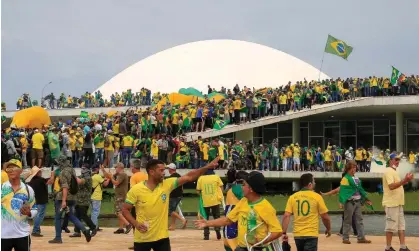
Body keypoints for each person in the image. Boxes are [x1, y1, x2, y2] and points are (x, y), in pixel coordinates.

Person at [121, 157, 220, 251]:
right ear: (151, 172)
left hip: (162, 238)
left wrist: (207, 167)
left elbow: (189, 177)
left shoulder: (167, 185)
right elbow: (125, 209)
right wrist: (136, 224)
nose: (164, 173)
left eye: (164, 170)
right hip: (142, 238)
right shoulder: (136, 190)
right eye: (161, 170)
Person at [195, 171, 282, 251]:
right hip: (242, 247)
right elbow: (228, 220)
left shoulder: (266, 207)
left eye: (244, 185)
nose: (241, 187)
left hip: (258, 248)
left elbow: (277, 231)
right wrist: (207, 223)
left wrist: (261, 242)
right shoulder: (243, 202)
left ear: (251, 189)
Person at [282, 173, 331, 251]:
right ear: (310, 184)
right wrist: (328, 228)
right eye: (314, 181)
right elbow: (325, 217)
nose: (315, 183)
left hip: (298, 235)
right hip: (311, 234)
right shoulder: (317, 197)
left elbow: (286, 216)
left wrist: (284, 233)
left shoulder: (292, 197)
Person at [48, 155, 92, 244]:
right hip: (73, 197)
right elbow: (77, 181)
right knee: (71, 215)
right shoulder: (72, 170)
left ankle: (58, 237)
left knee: (57, 217)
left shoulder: (63, 172)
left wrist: (64, 200)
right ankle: (85, 230)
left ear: (61, 162)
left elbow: (65, 187)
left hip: (62, 198)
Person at [1, 159, 37, 251]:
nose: (11, 170)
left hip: (22, 235)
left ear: (21, 171)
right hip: (2, 235)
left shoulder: (28, 190)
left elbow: (34, 209)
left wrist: (29, 213)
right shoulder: (1, 188)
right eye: (8, 169)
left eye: (14, 167)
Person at [382, 153, 413, 251]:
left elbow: (397, 185)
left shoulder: (394, 171)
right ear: (390, 161)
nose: (397, 162)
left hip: (398, 203)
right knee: (390, 227)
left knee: (401, 226)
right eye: (395, 159)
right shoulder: (388, 171)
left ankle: (403, 247)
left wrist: (405, 180)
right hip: (391, 203)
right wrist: (405, 180)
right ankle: (388, 247)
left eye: (398, 160)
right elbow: (391, 186)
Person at [338, 160, 372, 244]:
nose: (355, 168)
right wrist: (341, 201)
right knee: (347, 220)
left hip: (357, 202)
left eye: (355, 167)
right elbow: (343, 191)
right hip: (350, 202)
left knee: (359, 220)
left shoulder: (356, 178)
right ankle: (345, 238)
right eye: (354, 167)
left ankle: (361, 238)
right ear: (349, 169)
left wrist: (366, 199)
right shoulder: (345, 178)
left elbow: (360, 190)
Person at [100, 162, 132, 234]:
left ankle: (128, 225)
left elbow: (116, 183)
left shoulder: (122, 174)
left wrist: (111, 177)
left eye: (116, 167)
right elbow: (108, 176)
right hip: (120, 195)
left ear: (120, 168)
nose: (115, 169)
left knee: (117, 212)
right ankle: (121, 228)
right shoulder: (118, 174)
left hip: (121, 196)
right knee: (120, 212)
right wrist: (103, 170)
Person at [223, 170, 248, 251]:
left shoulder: (232, 188)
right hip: (233, 221)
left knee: (228, 243)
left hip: (230, 221)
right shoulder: (238, 188)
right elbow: (246, 199)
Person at [70, 166, 97, 238]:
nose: (82, 171)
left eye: (84, 170)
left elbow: (79, 181)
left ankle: (93, 228)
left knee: (83, 215)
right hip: (78, 200)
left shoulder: (88, 178)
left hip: (84, 201)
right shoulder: (82, 176)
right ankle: (77, 231)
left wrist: (73, 174)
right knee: (76, 216)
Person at [196, 168, 224, 240]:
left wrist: (202, 195)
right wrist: (220, 194)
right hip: (215, 201)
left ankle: (206, 235)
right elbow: (221, 187)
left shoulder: (201, 178)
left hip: (205, 202)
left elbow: (198, 191)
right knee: (217, 217)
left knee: (205, 218)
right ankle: (217, 230)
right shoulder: (216, 177)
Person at [26, 166, 51, 237]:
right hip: (41, 200)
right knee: (40, 215)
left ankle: (37, 229)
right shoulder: (41, 180)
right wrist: (52, 175)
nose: (41, 172)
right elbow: (50, 182)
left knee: (36, 215)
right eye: (39, 171)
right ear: (37, 173)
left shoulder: (31, 181)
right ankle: (35, 230)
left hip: (34, 200)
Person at [167, 163, 187, 231]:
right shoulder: (179, 176)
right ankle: (173, 225)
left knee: (170, 211)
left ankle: (182, 220)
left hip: (173, 196)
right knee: (173, 210)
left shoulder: (170, 178)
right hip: (179, 196)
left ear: (170, 169)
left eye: (168, 168)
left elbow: (169, 188)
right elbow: (182, 187)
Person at [90, 164, 110, 232]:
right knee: (95, 212)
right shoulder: (97, 176)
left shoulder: (91, 176)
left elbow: (101, 180)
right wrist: (109, 179)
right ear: (97, 169)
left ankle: (95, 226)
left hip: (91, 196)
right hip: (96, 197)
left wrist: (104, 178)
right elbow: (105, 184)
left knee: (94, 212)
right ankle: (94, 227)